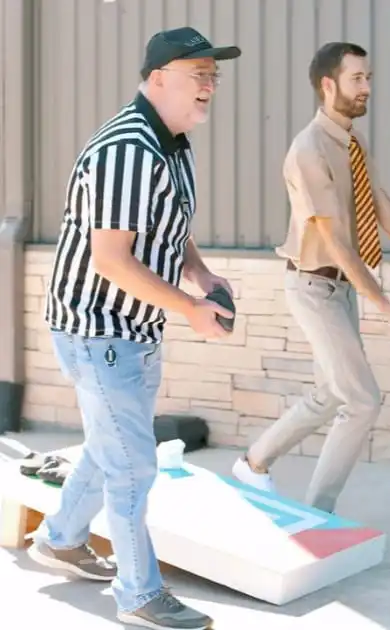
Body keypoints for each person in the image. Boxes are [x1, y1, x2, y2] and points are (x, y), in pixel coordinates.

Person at [28, 27, 240, 630]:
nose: (209, 84)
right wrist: (190, 308)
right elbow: (112, 259)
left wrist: (200, 275)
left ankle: (61, 539)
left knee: (111, 445)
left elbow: (170, 224)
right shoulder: (129, 149)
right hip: (98, 331)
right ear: (156, 80)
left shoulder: (171, 142)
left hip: (133, 329)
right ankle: (139, 594)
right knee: (132, 465)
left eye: (213, 74)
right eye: (196, 72)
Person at [232, 41, 390, 514]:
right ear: (328, 84)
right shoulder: (308, 149)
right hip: (314, 286)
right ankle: (318, 514)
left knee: (329, 393)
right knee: (362, 400)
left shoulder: (352, 145)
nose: (367, 88)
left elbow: (386, 213)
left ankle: (253, 463)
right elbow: (335, 237)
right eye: (358, 79)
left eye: (369, 78)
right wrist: (382, 302)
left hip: (340, 288)